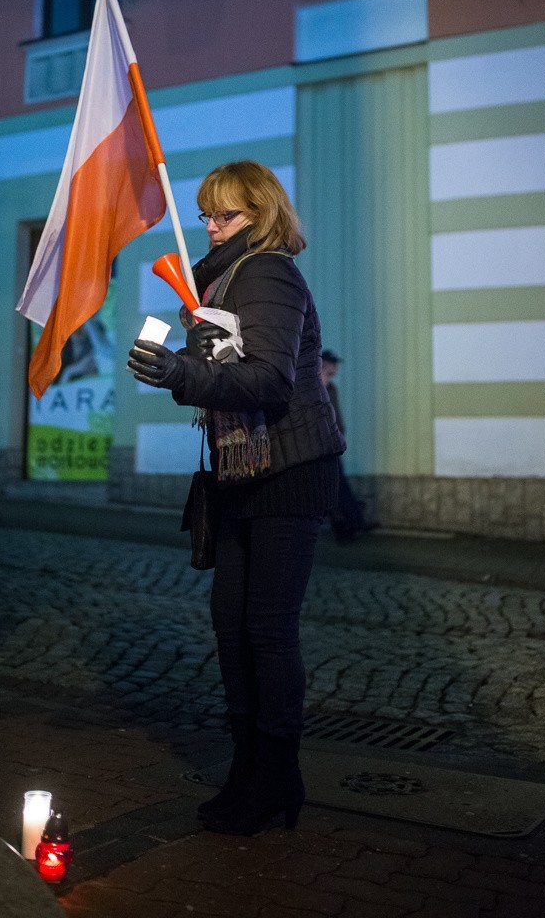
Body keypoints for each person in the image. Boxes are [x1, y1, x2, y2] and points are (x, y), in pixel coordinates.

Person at [127, 160, 346, 836]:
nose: (212, 225)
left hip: (288, 469)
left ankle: (276, 775)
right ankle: (247, 768)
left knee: (267, 630)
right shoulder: (219, 280)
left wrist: (182, 373)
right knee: (231, 627)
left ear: (263, 214)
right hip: (236, 470)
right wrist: (179, 368)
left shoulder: (269, 272)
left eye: (228, 215)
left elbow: (270, 383)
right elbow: (222, 376)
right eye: (207, 214)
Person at [320, 349, 374, 541]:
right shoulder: (317, 387)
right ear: (324, 364)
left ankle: (350, 524)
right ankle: (346, 525)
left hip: (333, 444)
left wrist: (341, 433)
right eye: (332, 363)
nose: (335, 367)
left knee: (337, 485)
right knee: (334, 486)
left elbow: (337, 415)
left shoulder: (331, 388)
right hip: (322, 446)